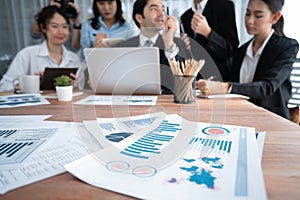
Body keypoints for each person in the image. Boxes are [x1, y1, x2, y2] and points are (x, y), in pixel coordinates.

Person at [196, 0, 299, 120]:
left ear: (275, 17)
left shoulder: (287, 47)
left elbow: (267, 87)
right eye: (247, 14)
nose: (250, 21)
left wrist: (225, 87)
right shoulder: (241, 51)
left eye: (258, 15)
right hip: (239, 116)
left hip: (271, 119)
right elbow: (231, 81)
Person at [0, 5, 85, 92]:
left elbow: (82, 90)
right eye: (54, 26)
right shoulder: (27, 54)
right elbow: (4, 86)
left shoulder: (74, 59)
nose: (61, 32)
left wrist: (76, 86)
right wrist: (31, 83)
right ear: (43, 28)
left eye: (65, 27)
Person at [117, 0, 189, 94]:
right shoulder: (123, 47)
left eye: (163, 9)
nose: (161, 14)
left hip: (164, 103)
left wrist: (168, 44)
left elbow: (183, 81)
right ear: (139, 18)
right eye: (154, 9)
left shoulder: (175, 44)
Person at [180, 0, 239, 80]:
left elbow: (231, 49)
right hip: (196, 82)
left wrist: (208, 33)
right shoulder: (185, 17)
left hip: (219, 81)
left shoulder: (224, 6)